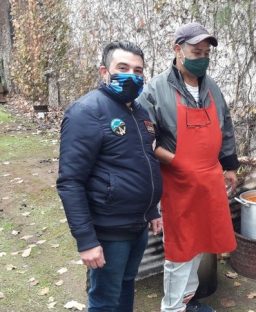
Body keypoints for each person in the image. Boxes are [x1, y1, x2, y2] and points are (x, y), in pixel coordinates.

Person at [137, 22, 239, 312]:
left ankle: (187, 300)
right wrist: (176, 160)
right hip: (177, 184)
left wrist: (230, 165)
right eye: (196, 51)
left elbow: (226, 126)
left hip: (208, 180)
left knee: (201, 245)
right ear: (177, 50)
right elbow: (144, 138)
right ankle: (171, 308)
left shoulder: (212, 87)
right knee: (180, 252)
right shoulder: (156, 90)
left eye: (206, 52)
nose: (202, 57)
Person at [57, 41, 163, 312]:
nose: (133, 75)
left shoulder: (140, 112)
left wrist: (151, 210)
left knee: (127, 285)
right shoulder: (86, 112)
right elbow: (70, 182)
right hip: (109, 231)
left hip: (137, 226)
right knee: (104, 300)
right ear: (104, 72)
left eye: (138, 70)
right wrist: (87, 241)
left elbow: (143, 162)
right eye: (123, 68)